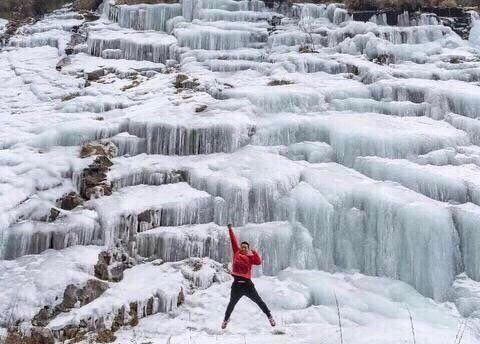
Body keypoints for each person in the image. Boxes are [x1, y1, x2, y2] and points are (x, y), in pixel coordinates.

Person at [222, 224, 275, 329]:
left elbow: (258, 262)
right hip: (236, 285)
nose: (243, 248)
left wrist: (254, 253)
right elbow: (233, 241)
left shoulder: (250, 257)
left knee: (259, 301)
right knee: (231, 304)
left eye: (245, 247)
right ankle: (225, 320)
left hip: (247, 285)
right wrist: (230, 229)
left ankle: (270, 317)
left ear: (248, 249)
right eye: (242, 246)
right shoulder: (236, 252)